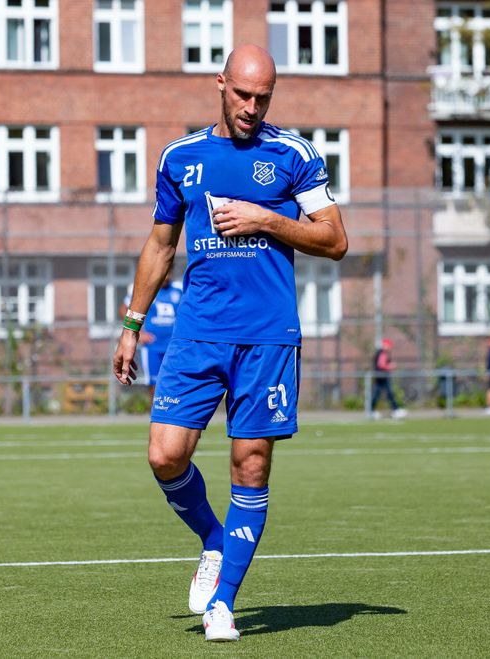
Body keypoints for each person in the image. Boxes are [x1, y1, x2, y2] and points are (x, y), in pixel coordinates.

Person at [112, 44, 347, 642]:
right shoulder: (181, 157)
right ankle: (213, 540)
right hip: (197, 331)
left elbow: (335, 239)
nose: (251, 107)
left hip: (267, 337)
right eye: (243, 95)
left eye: (262, 97)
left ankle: (224, 603)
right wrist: (133, 323)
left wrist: (265, 219)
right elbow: (160, 246)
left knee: (251, 462)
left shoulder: (292, 154)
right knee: (165, 455)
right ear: (220, 85)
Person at [119, 275, 182, 394]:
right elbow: (124, 309)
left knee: (176, 384)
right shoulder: (147, 289)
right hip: (152, 346)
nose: (166, 276)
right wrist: (139, 332)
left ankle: (172, 412)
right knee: (155, 385)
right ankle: (155, 412)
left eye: (169, 271)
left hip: (174, 346)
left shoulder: (179, 288)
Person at [370, 338, 407, 419]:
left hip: (381, 377)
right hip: (381, 377)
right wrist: (390, 366)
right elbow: (381, 365)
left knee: (385, 394)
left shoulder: (381, 353)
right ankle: (395, 411)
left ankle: (372, 411)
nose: (390, 348)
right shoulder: (382, 353)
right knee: (386, 394)